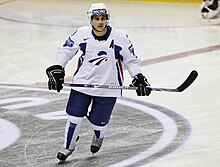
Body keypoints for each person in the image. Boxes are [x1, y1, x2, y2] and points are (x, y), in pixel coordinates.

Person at [46, 3, 151, 163]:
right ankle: (68, 147)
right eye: (96, 19)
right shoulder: (82, 34)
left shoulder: (120, 36)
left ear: (107, 19)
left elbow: (131, 59)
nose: (100, 22)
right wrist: (57, 68)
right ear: (91, 20)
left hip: (108, 87)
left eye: (103, 18)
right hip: (83, 84)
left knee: (99, 122)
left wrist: (138, 77)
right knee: (74, 116)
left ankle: (98, 134)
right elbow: (65, 51)